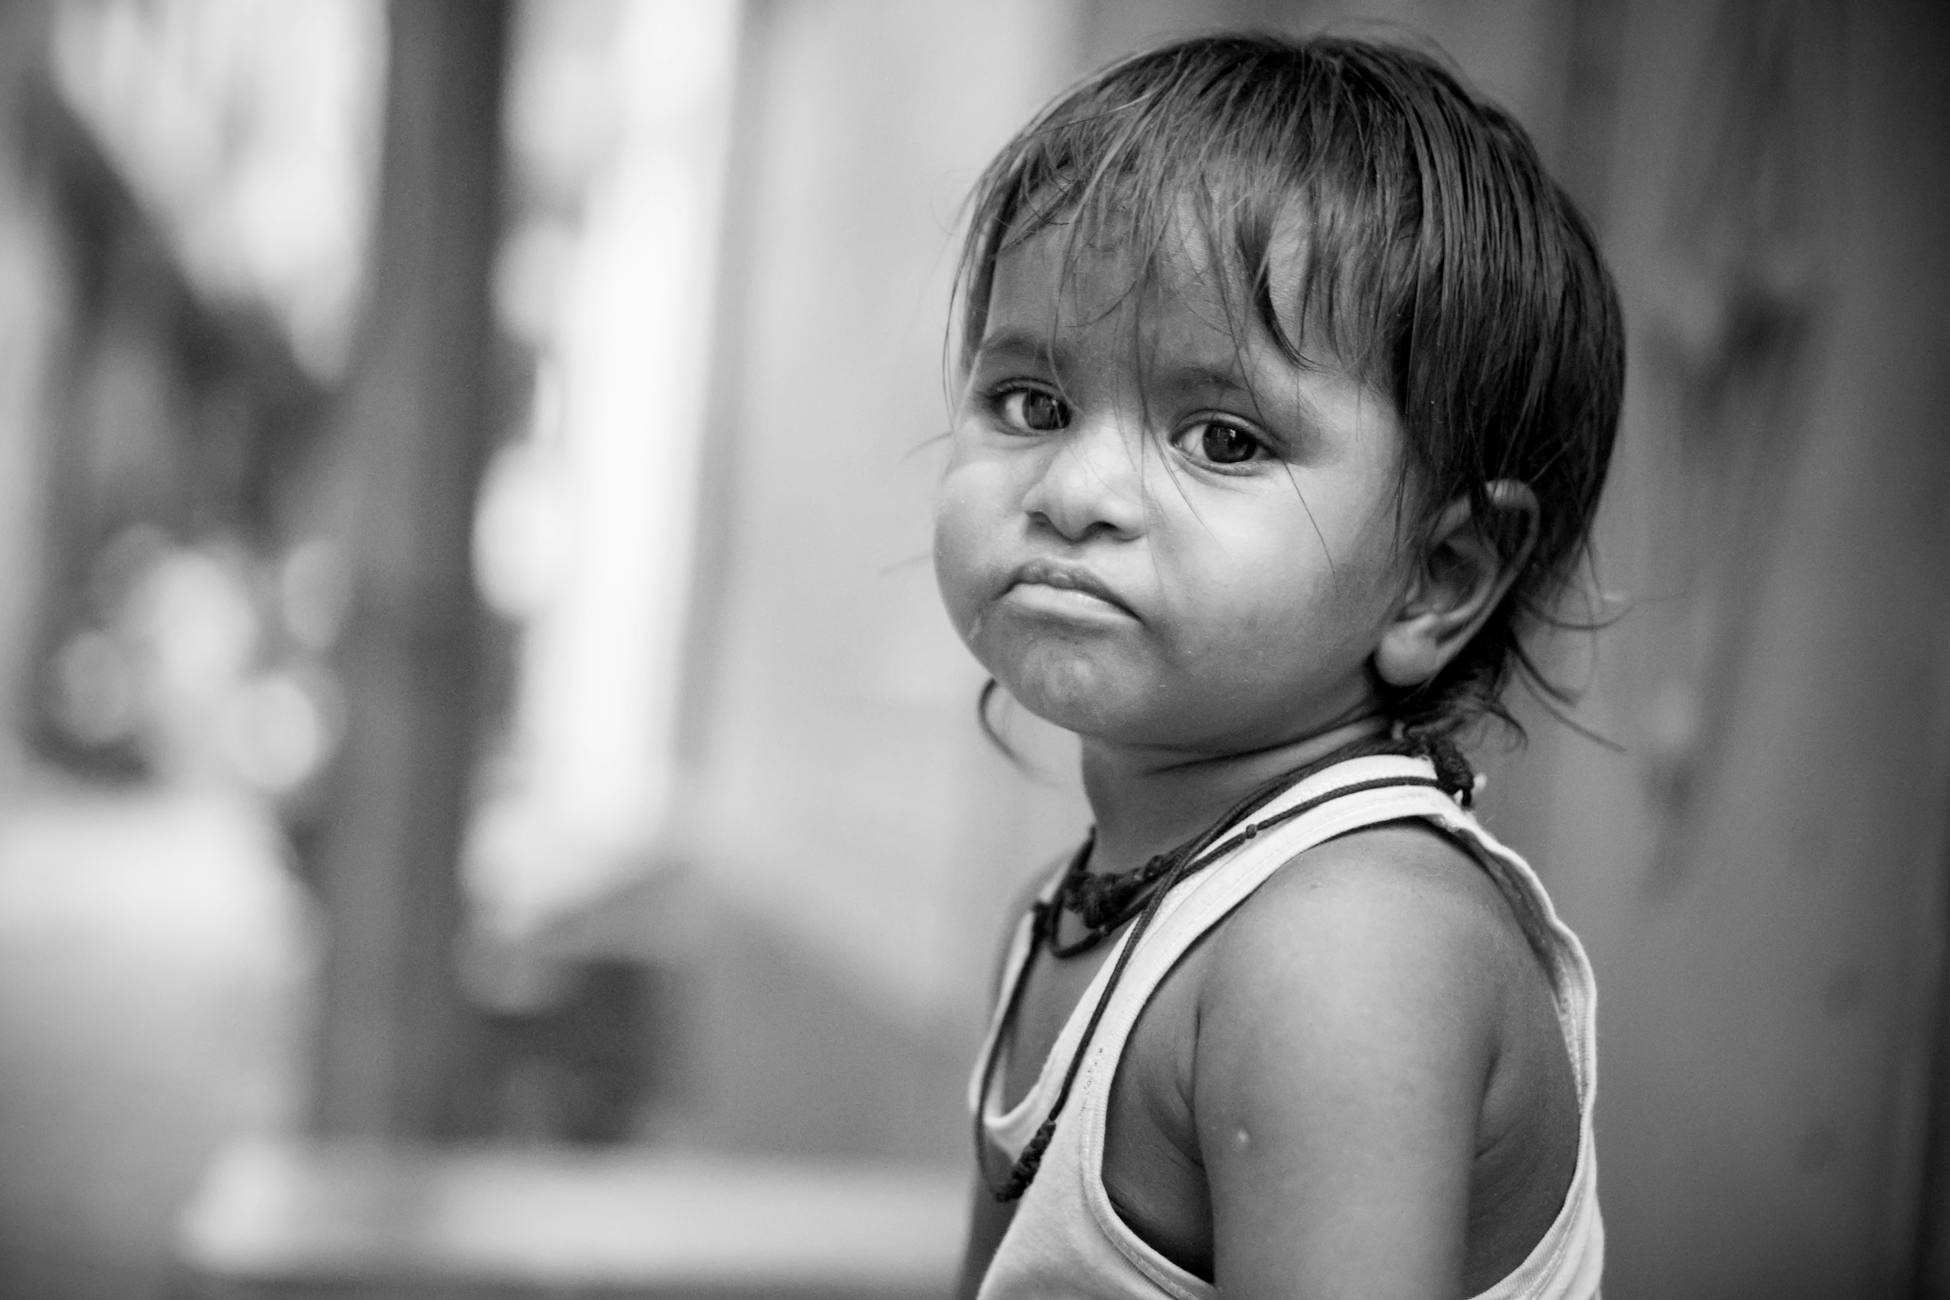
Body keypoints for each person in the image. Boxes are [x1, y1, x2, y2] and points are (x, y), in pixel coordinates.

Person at [931, 31, 1622, 1300]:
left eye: (1223, 437)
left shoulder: (1344, 950)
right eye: (1032, 402)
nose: (1075, 492)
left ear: (1441, 576)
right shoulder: (1079, 903)